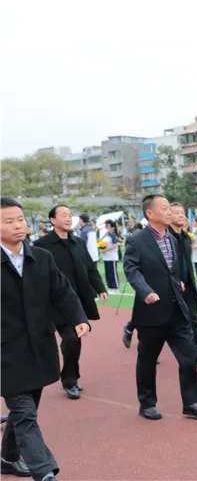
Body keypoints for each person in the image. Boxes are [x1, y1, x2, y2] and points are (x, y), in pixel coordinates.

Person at [1, 197, 91, 481]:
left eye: (20, 219)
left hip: (39, 346)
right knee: (24, 411)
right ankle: (44, 471)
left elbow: (62, 291)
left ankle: (6, 458)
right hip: (5, 352)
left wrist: (79, 318)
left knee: (24, 410)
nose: (18, 225)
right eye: (8, 221)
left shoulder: (41, 257)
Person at [122, 194, 197, 421]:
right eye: (164, 209)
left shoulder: (172, 239)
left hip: (176, 309)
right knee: (147, 360)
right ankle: (147, 403)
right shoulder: (136, 240)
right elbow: (132, 269)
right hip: (151, 312)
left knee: (189, 356)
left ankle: (191, 403)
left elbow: (171, 270)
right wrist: (145, 291)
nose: (170, 212)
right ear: (150, 213)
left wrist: (177, 283)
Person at [33, 205, 108, 400]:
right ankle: (46, 378)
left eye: (69, 215)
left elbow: (90, 267)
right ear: (52, 220)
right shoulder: (42, 244)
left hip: (75, 301)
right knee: (58, 339)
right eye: (63, 215)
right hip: (51, 302)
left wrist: (100, 288)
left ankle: (69, 379)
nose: (68, 218)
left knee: (73, 338)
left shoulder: (78, 243)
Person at [168, 204, 197, 370]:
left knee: (194, 320)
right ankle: (134, 331)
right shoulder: (166, 238)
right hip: (170, 287)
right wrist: (174, 280)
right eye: (177, 213)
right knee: (163, 323)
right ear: (168, 216)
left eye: (183, 213)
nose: (182, 216)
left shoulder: (186, 238)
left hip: (188, 286)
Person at [101, 220, 121, 291]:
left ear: (109, 225)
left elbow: (115, 245)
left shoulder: (113, 234)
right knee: (108, 273)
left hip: (112, 257)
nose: (105, 225)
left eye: (106, 224)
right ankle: (110, 287)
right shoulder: (106, 233)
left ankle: (116, 287)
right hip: (106, 257)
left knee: (113, 273)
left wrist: (105, 250)